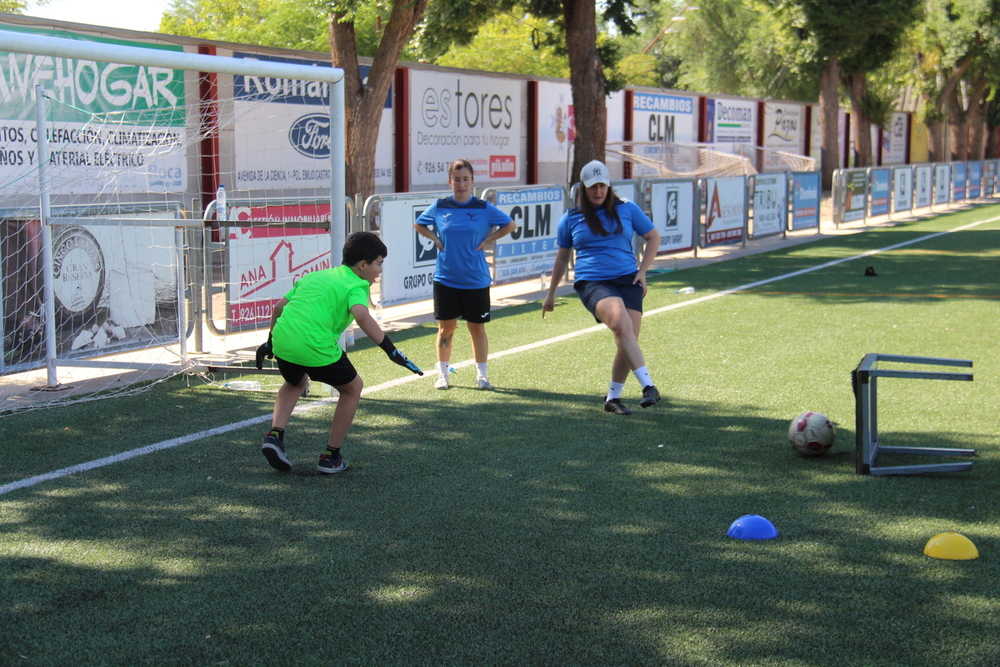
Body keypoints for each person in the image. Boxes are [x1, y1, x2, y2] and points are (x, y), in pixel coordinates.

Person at [255, 231, 422, 473]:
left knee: (294, 382)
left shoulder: (316, 275)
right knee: (353, 388)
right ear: (363, 265)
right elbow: (362, 316)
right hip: (315, 347)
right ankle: (331, 456)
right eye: (379, 263)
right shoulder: (357, 284)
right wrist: (391, 351)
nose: (380, 270)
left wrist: (270, 342)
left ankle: (274, 435)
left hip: (283, 340)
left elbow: (279, 307)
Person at [541, 159, 662, 415]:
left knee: (627, 337)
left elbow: (653, 237)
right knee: (619, 321)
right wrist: (550, 294)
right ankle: (648, 386)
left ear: (609, 186)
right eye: (592, 186)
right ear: (582, 189)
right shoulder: (571, 218)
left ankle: (612, 398)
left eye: (602, 186)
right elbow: (562, 257)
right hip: (592, 281)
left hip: (628, 279)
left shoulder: (627, 208)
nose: (598, 191)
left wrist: (642, 272)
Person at [414, 159, 516, 390]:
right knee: (446, 329)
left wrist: (488, 240)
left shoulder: (483, 208)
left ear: (472, 181)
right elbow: (419, 224)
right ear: (450, 181)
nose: (461, 184)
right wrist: (436, 239)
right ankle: (442, 375)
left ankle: (482, 375)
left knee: (477, 328)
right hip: (446, 279)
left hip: (476, 279)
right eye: (457, 179)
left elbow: (509, 225)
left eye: (466, 179)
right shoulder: (440, 206)